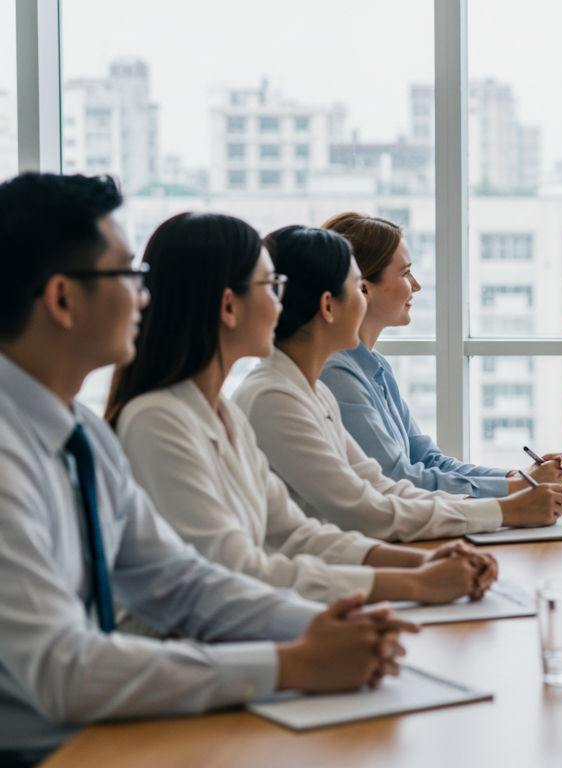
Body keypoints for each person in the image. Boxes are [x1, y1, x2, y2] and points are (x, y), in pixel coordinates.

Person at [0, 173, 414, 767]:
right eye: (126, 276)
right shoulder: (14, 453)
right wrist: (291, 662)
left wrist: (325, 625)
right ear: (63, 299)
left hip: (109, 731)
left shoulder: (83, 436)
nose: (144, 296)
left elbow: (181, 580)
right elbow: (65, 668)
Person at [108, 212, 498, 606]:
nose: (283, 304)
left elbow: (296, 534)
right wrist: (415, 583)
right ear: (229, 307)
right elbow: (237, 571)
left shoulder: (223, 413)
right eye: (271, 286)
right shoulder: (160, 420)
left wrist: (422, 563)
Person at [233, 226, 562, 541]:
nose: (362, 300)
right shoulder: (277, 396)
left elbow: (384, 488)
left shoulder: (315, 390)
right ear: (328, 304)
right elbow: (367, 507)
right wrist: (505, 508)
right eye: (356, 287)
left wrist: (509, 496)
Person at [319, 212, 562, 497]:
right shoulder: (336, 374)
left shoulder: (375, 367)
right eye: (405, 273)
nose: (415, 285)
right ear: (363, 288)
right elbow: (396, 479)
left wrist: (521, 477)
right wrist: (516, 487)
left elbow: (429, 461)